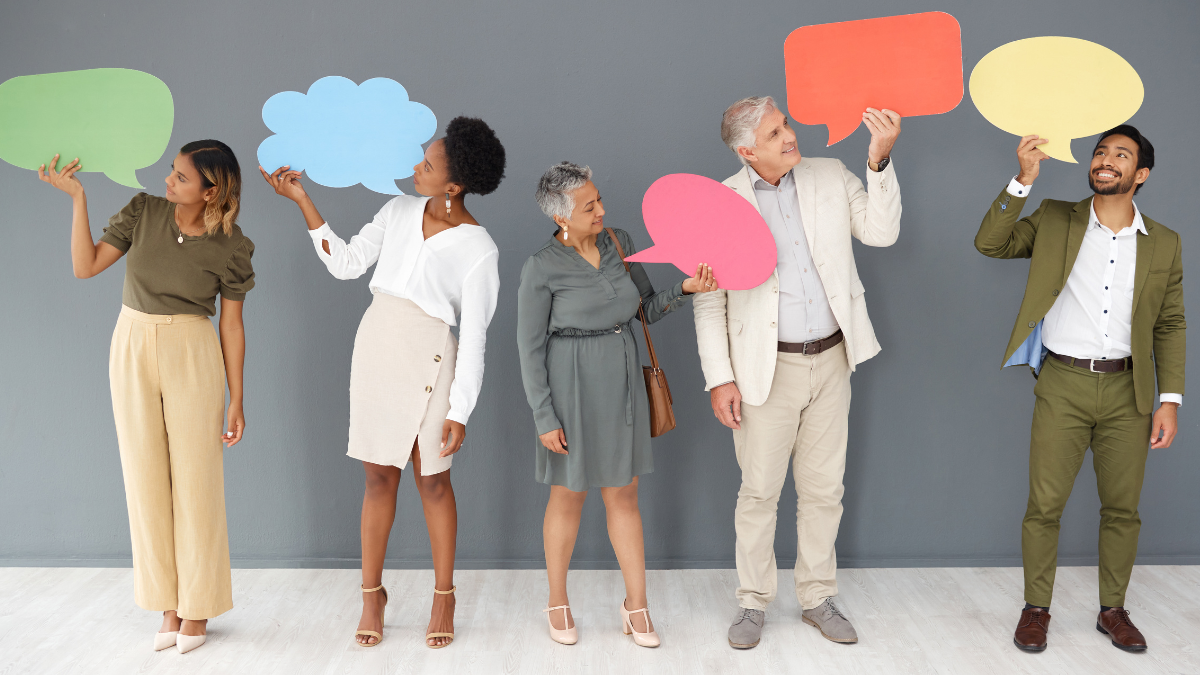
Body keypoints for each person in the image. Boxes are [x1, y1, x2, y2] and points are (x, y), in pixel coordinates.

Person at [260, 117, 506, 649]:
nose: (416, 167)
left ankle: (444, 596)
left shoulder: (480, 249)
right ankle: (372, 595)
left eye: (428, 165)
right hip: (377, 347)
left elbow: (476, 336)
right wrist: (303, 201)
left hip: (433, 359)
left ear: (453, 185)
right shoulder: (397, 210)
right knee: (377, 477)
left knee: (433, 480)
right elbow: (346, 264)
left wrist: (460, 409)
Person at [693, 96, 902, 649]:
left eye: (785, 124)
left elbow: (881, 232)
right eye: (774, 133)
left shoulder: (830, 174)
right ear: (746, 151)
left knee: (824, 491)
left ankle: (817, 598)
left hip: (833, 360)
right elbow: (709, 302)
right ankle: (752, 602)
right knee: (759, 493)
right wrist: (720, 377)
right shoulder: (721, 204)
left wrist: (879, 160)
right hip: (763, 371)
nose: (789, 136)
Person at [38, 141, 254, 654]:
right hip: (132, 343)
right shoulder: (144, 211)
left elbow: (232, 325)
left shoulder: (232, 244)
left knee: (197, 480)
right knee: (145, 478)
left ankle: (199, 606)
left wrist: (237, 398)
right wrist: (77, 199)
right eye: (172, 172)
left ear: (211, 191)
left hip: (192, 349)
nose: (168, 181)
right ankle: (168, 605)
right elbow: (86, 266)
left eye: (181, 177)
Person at [975, 126, 1183, 654]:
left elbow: (1170, 323)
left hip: (1129, 391)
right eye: (1100, 151)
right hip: (1062, 384)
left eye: (1121, 154)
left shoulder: (1164, 242)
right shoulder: (1054, 217)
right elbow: (990, 243)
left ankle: (1113, 610)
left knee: (1122, 509)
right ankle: (1036, 609)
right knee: (1044, 505)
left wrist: (1170, 400)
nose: (1106, 160)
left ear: (1141, 174)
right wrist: (1023, 180)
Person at [516, 162, 718, 647]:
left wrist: (685, 290)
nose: (601, 211)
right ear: (561, 216)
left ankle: (636, 605)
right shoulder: (541, 266)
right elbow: (529, 348)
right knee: (568, 495)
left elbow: (644, 309)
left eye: (599, 200)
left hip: (623, 381)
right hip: (569, 387)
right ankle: (557, 601)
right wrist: (544, 416)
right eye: (589, 207)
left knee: (624, 493)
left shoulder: (620, 242)